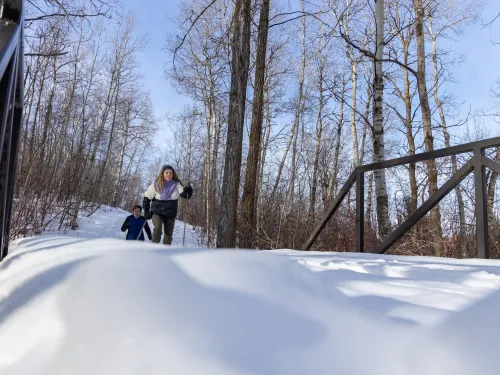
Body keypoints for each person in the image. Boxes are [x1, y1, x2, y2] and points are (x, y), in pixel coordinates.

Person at [142, 165, 193, 245]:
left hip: (170, 214)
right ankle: (153, 248)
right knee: (158, 228)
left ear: (173, 174)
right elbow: (147, 197)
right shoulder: (155, 185)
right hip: (157, 212)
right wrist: (146, 211)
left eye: (170, 173)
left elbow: (184, 194)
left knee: (168, 235)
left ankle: (166, 252)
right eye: (166, 173)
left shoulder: (176, 184)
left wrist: (188, 191)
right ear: (162, 174)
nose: (168, 174)